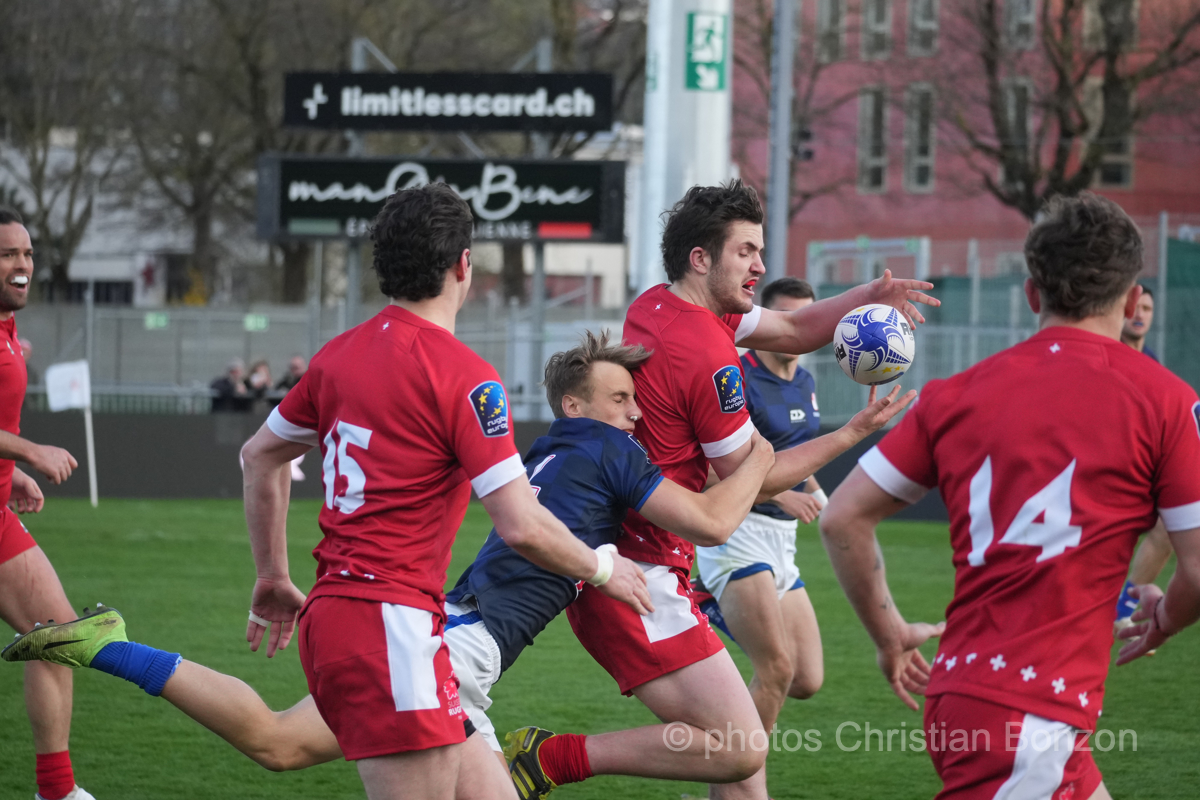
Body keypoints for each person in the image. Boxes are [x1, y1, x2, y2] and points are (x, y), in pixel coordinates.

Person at [4, 332, 775, 788]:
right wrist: (756, 456)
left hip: (449, 644)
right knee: (279, 742)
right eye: (618, 398)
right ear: (578, 407)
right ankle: (109, 644)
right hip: (455, 655)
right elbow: (709, 520)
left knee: (277, 742)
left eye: (636, 401)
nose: (634, 413)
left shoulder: (552, 451)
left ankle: (108, 644)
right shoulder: (607, 450)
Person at [509, 180, 937, 800]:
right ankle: (553, 757)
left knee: (742, 766)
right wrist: (853, 433)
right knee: (740, 749)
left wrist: (869, 295)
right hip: (638, 576)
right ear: (700, 258)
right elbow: (754, 481)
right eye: (746, 251)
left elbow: (792, 330)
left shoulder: (660, 303)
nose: (760, 265)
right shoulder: (708, 352)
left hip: (646, 559)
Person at [237, 183, 651, 800]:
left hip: (353, 616)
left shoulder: (336, 357)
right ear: (463, 264)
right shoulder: (466, 378)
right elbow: (521, 525)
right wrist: (601, 569)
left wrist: (272, 573)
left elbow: (258, 456)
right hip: (392, 624)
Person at [819, 193, 1200, 800]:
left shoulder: (954, 394)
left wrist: (889, 633)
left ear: (1031, 294)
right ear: (1132, 302)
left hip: (982, 700)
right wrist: (1164, 618)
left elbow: (842, 517)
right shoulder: (1170, 402)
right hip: (1027, 718)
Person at [693, 276, 828, 742]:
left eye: (806, 318)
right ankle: (740, 782)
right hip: (739, 530)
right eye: (788, 318)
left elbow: (795, 452)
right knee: (777, 670)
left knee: (807, 680)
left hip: (782, 540)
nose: (799, 328)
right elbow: (709, 470)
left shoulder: (806, 380)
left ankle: (705, 600)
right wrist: (782, 493)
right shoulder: (737, 375)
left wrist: (816, 491)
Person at [0, 207, 90, 800]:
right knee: (56, 634)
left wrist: (8, 476)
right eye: (9, 254)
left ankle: (56, 791)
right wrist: (28, 452)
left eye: (28, 254)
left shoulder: (9, 330)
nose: (23, 264)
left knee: (57, 635)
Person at [1113, 285, 1174, 631]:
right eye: (1135, 307)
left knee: (1168, 528)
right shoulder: (1103, 354)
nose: (1140, 314)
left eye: (1148, 309)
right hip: (1098, 468)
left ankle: (1125, 605)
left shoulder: (1150, 361)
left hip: (1141, 465)